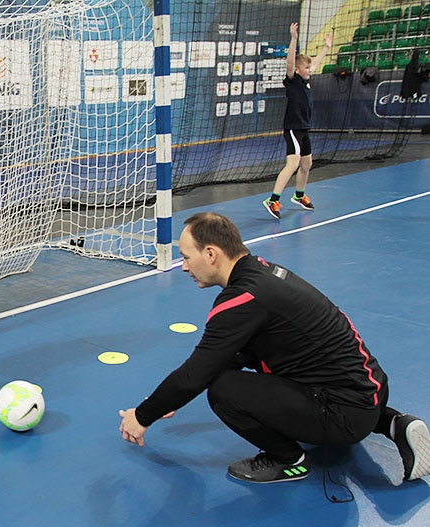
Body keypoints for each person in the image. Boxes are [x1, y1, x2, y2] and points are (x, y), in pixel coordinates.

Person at [119, 212, 430, 484]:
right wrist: (169, 399)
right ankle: (391, 422)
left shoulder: (241, 300)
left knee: (223, 390)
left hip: (344, 412)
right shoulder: (265, 271)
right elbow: (235, 355)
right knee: (244, 369)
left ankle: (289, 460)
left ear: (211, 253)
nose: (183, 266)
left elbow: (195, 374)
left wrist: (144, 416)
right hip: (370, 388)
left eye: (187, 257)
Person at [263, 23, 332, 220]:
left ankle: (299, 195)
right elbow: (290, 64)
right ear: (299, 69)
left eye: (310, 67)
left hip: (304, 128)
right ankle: (273, 200)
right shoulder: (292, 80)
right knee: (293, 164)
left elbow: (316, 64)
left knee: (307, 163)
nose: (310, 69)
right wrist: (293, 39)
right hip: (293, 128)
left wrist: (326, 47)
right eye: (307, 67)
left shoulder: (306, 81)